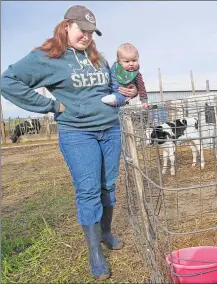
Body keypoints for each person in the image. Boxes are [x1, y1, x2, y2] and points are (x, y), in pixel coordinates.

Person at [1, 5, 138, 280]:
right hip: (78, 133)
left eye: (91, 32)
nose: (86, 36)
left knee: (108, 185)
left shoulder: (96, 56)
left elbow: (111, 87)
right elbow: (8, 81)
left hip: (110, 129)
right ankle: (95, 255)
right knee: (88, 191)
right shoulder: (48, 56)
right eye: (81, 30)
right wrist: (51, 105)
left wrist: (128, 92)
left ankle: (106, 232)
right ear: (66, 26)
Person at [101, 43, 148, 108]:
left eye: (134, 60)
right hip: (111, 90)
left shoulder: (136, 73)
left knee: (122, 98)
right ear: (119, 61)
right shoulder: (115, 68)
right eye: (127, 61)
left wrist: (144, 100)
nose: (131, 64)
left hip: (123, 93)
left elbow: (141, 86)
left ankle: (115, 100)